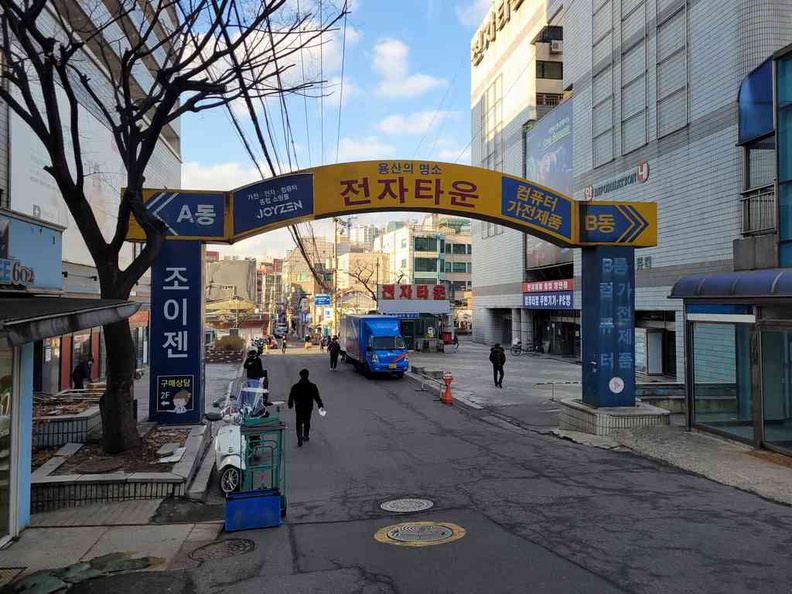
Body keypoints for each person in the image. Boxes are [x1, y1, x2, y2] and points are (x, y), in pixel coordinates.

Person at [288, 369, 324, 447]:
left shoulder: (295, 386)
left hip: (299, 407)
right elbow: (317, 397)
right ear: (307, 375)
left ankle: (299, 437)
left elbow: (291, 397)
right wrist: (320, 405)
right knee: (307, 421)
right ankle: (306, 435)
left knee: (299, 423)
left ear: (300, 376)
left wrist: (290, 404)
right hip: (308, 407)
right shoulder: (312, 386)